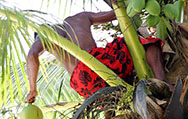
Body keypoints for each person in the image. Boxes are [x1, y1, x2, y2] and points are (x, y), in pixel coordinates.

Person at [26, 10, 166, 103]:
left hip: (83, 81)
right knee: (145, 43)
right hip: (100, 62)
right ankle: (162, 84)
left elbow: (32, 55)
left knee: (108, 93)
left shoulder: (45, 33)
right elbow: (119, 12)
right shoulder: (78, 18)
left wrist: (33, 88)